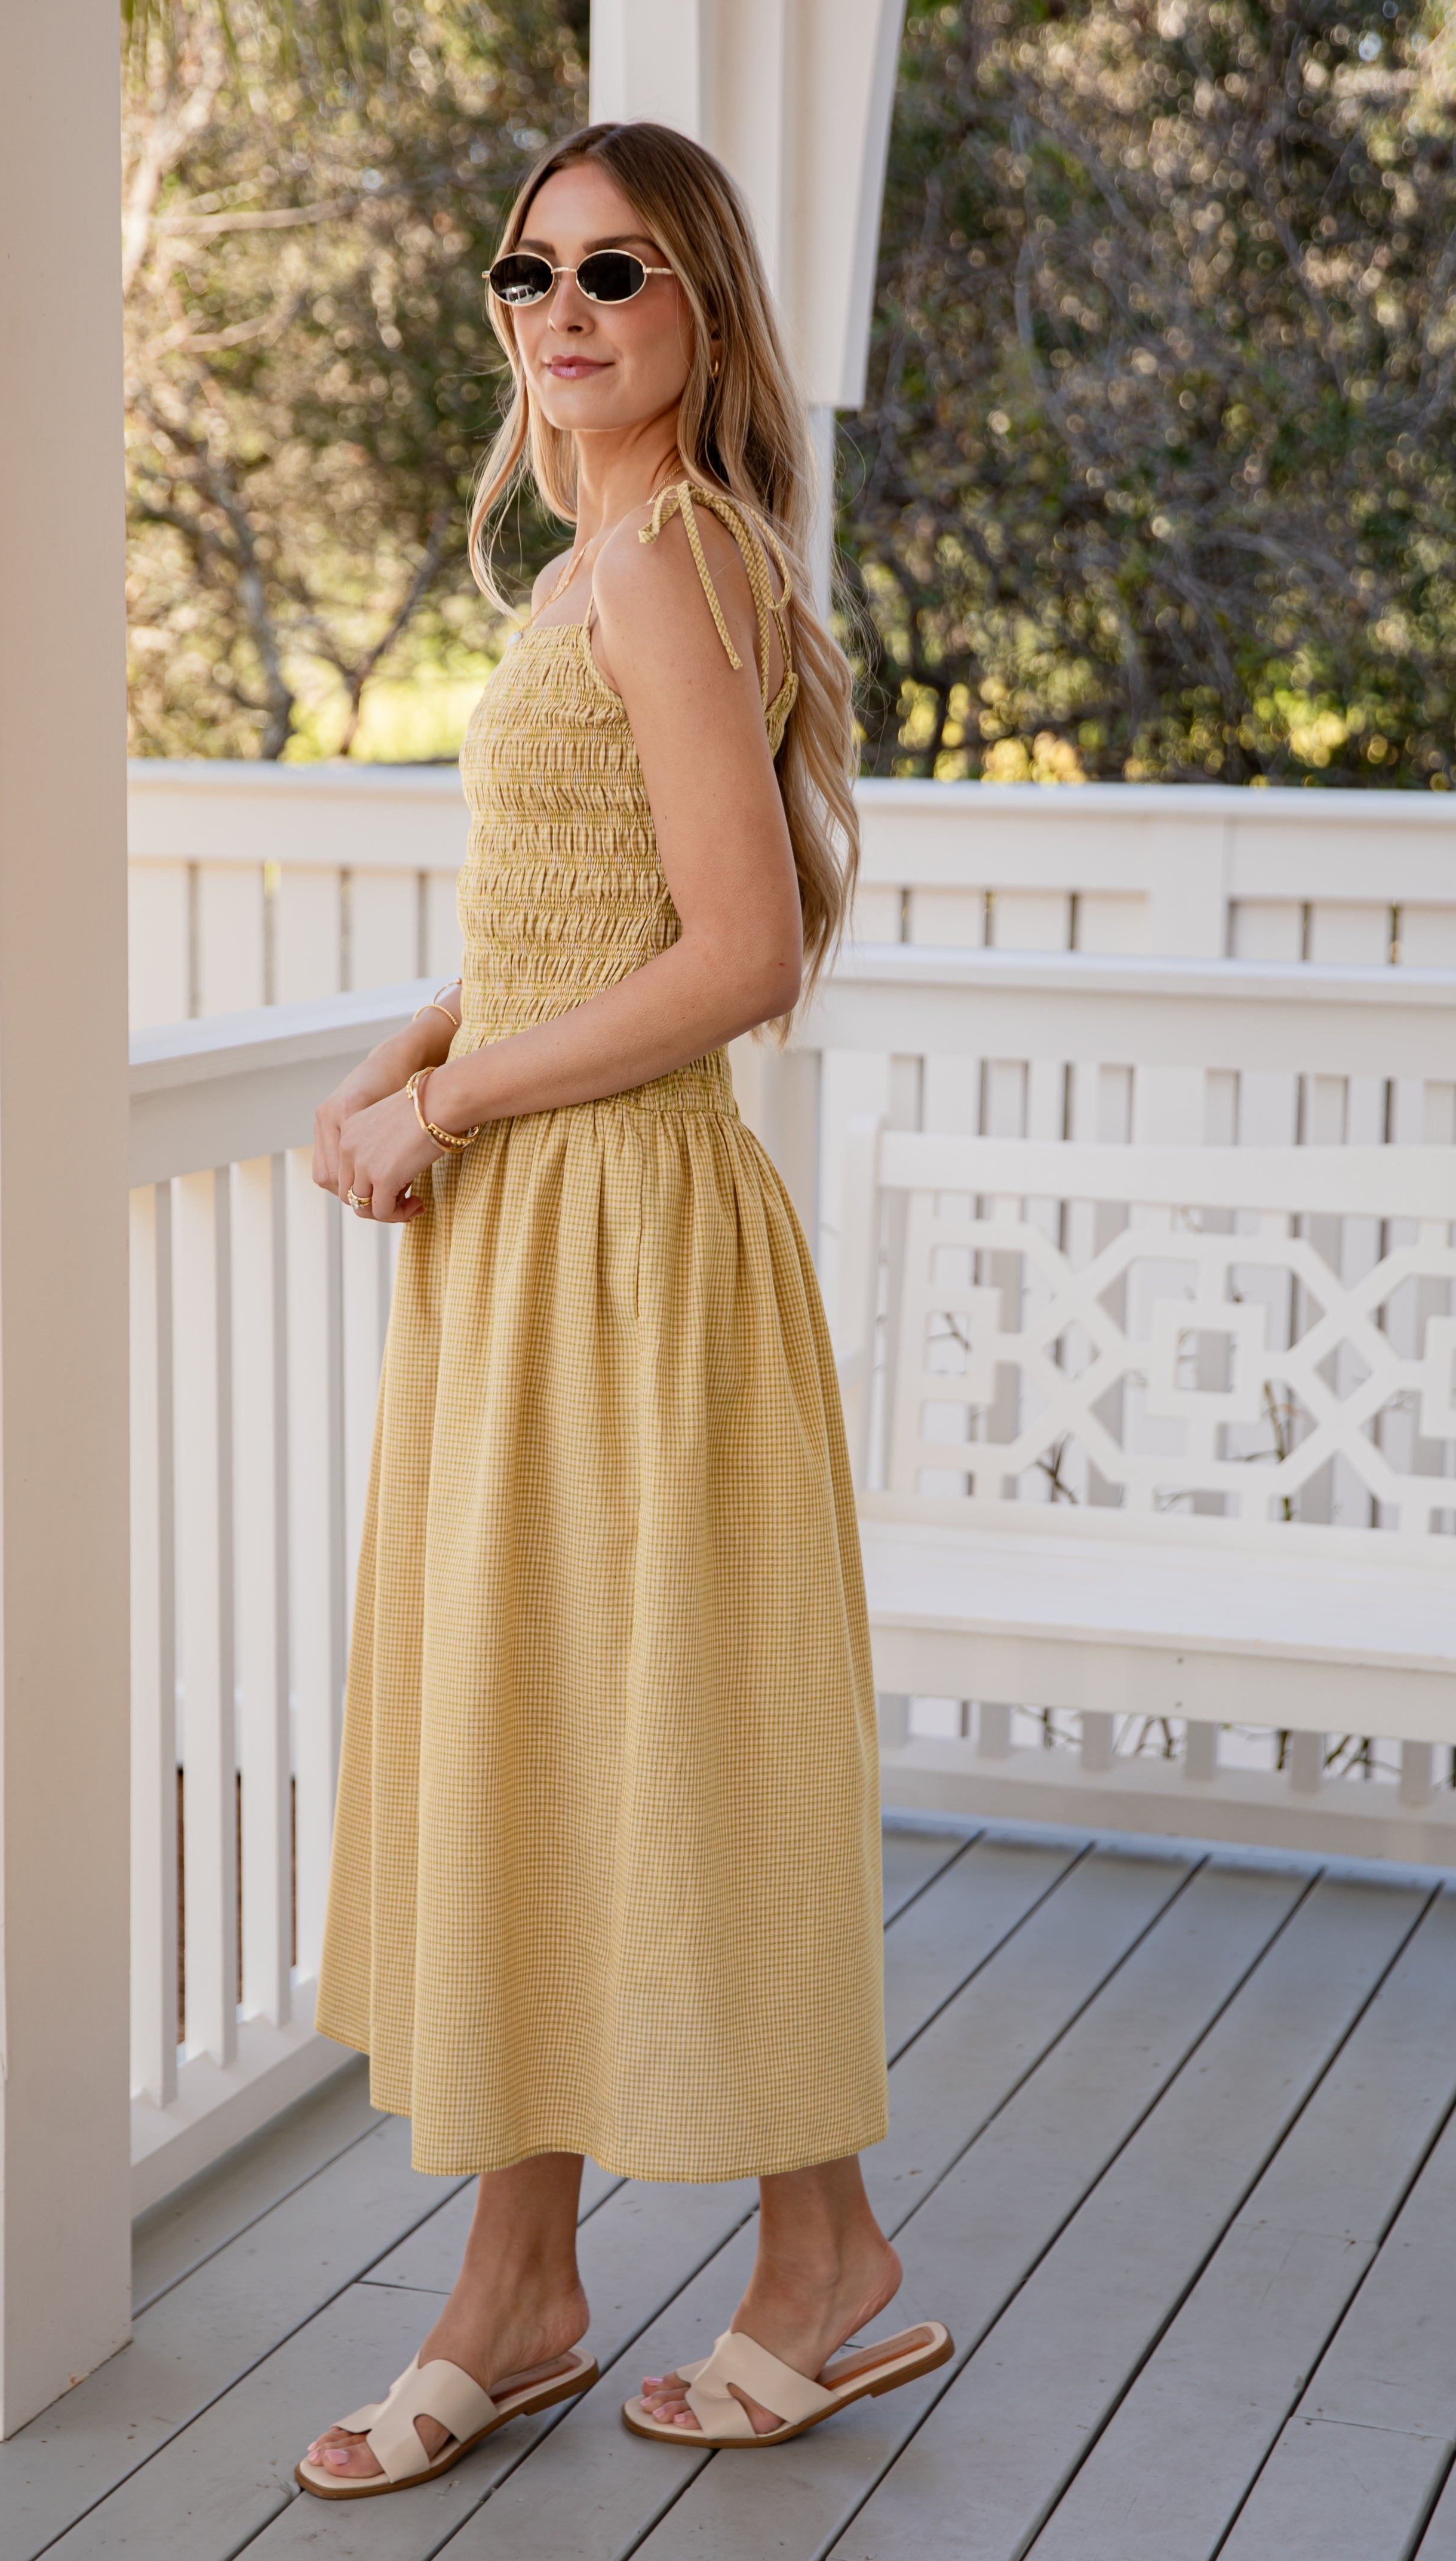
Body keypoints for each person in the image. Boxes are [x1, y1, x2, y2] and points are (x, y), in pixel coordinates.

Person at [296, 118, 950, 2501]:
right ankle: (539, 2278)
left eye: (620, 271)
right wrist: (426, 1042)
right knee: (550, 1738)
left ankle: (794, 2263)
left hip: (618, 1238)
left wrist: (456, 1113)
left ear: (700, 314)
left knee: (660, 1737)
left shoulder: (669, 555)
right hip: (545, 1240)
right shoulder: (600, 565)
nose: (562, 309)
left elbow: (743, 951)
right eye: (530, 269)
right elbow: (603, 892)